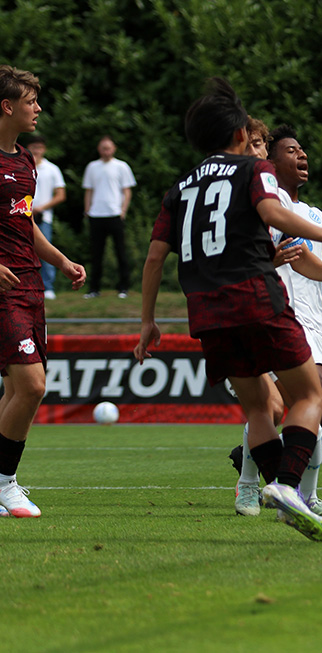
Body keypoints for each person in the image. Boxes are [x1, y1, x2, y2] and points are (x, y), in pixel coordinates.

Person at [134, 77, 322, 541]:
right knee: (310, 396)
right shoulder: (252, 169)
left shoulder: (178, 189)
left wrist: (147, 321)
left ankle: (276, 491)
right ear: (241, 135)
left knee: (260, 407)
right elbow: (273, 213)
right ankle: (286, 487)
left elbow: (154, 257)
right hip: (256, 298)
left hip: (206, 312)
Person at [231, 124, 322, 518]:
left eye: (303, 149)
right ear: (271, 161)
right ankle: (285, 493)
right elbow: (277, 255)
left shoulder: (313, 214)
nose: (302, 155)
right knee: (312, 395)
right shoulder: (266, 201)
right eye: (291, 150)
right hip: (281, 316)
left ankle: (254, 453)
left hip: (317, 322)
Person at [0, 66, 86, 518]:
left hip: (31, 285)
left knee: (18, 390)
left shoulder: (24, 162)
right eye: (31, 101)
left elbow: (25, 223)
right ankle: (6, 484)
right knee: (32, 385)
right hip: (4, 290)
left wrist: (62, 260)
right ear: (7, 106)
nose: (38, 109)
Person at [82, 135, 136, 299]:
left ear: (114, 149)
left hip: (114, 214)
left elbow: (127, 191)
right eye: (103, 148)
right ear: (99, 149)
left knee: (120, 251)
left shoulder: (121, 166)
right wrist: (87, 210)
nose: (106, 151)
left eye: (109, 148)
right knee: (96, 253)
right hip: (96, 214)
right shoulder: (92, 167)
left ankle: (123, 287)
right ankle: (94, 288)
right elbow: (88, 190)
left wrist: (123, 211)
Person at [26, 135, 65, 300]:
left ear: (44, 149)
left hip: (44, 217)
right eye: (33, 147)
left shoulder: (52, 169)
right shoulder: (22, 166)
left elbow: (61, 194)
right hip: (21, 215)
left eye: (39, 147)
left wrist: (42, 207)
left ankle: (48, 286)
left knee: (46, 250)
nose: (36, 150)